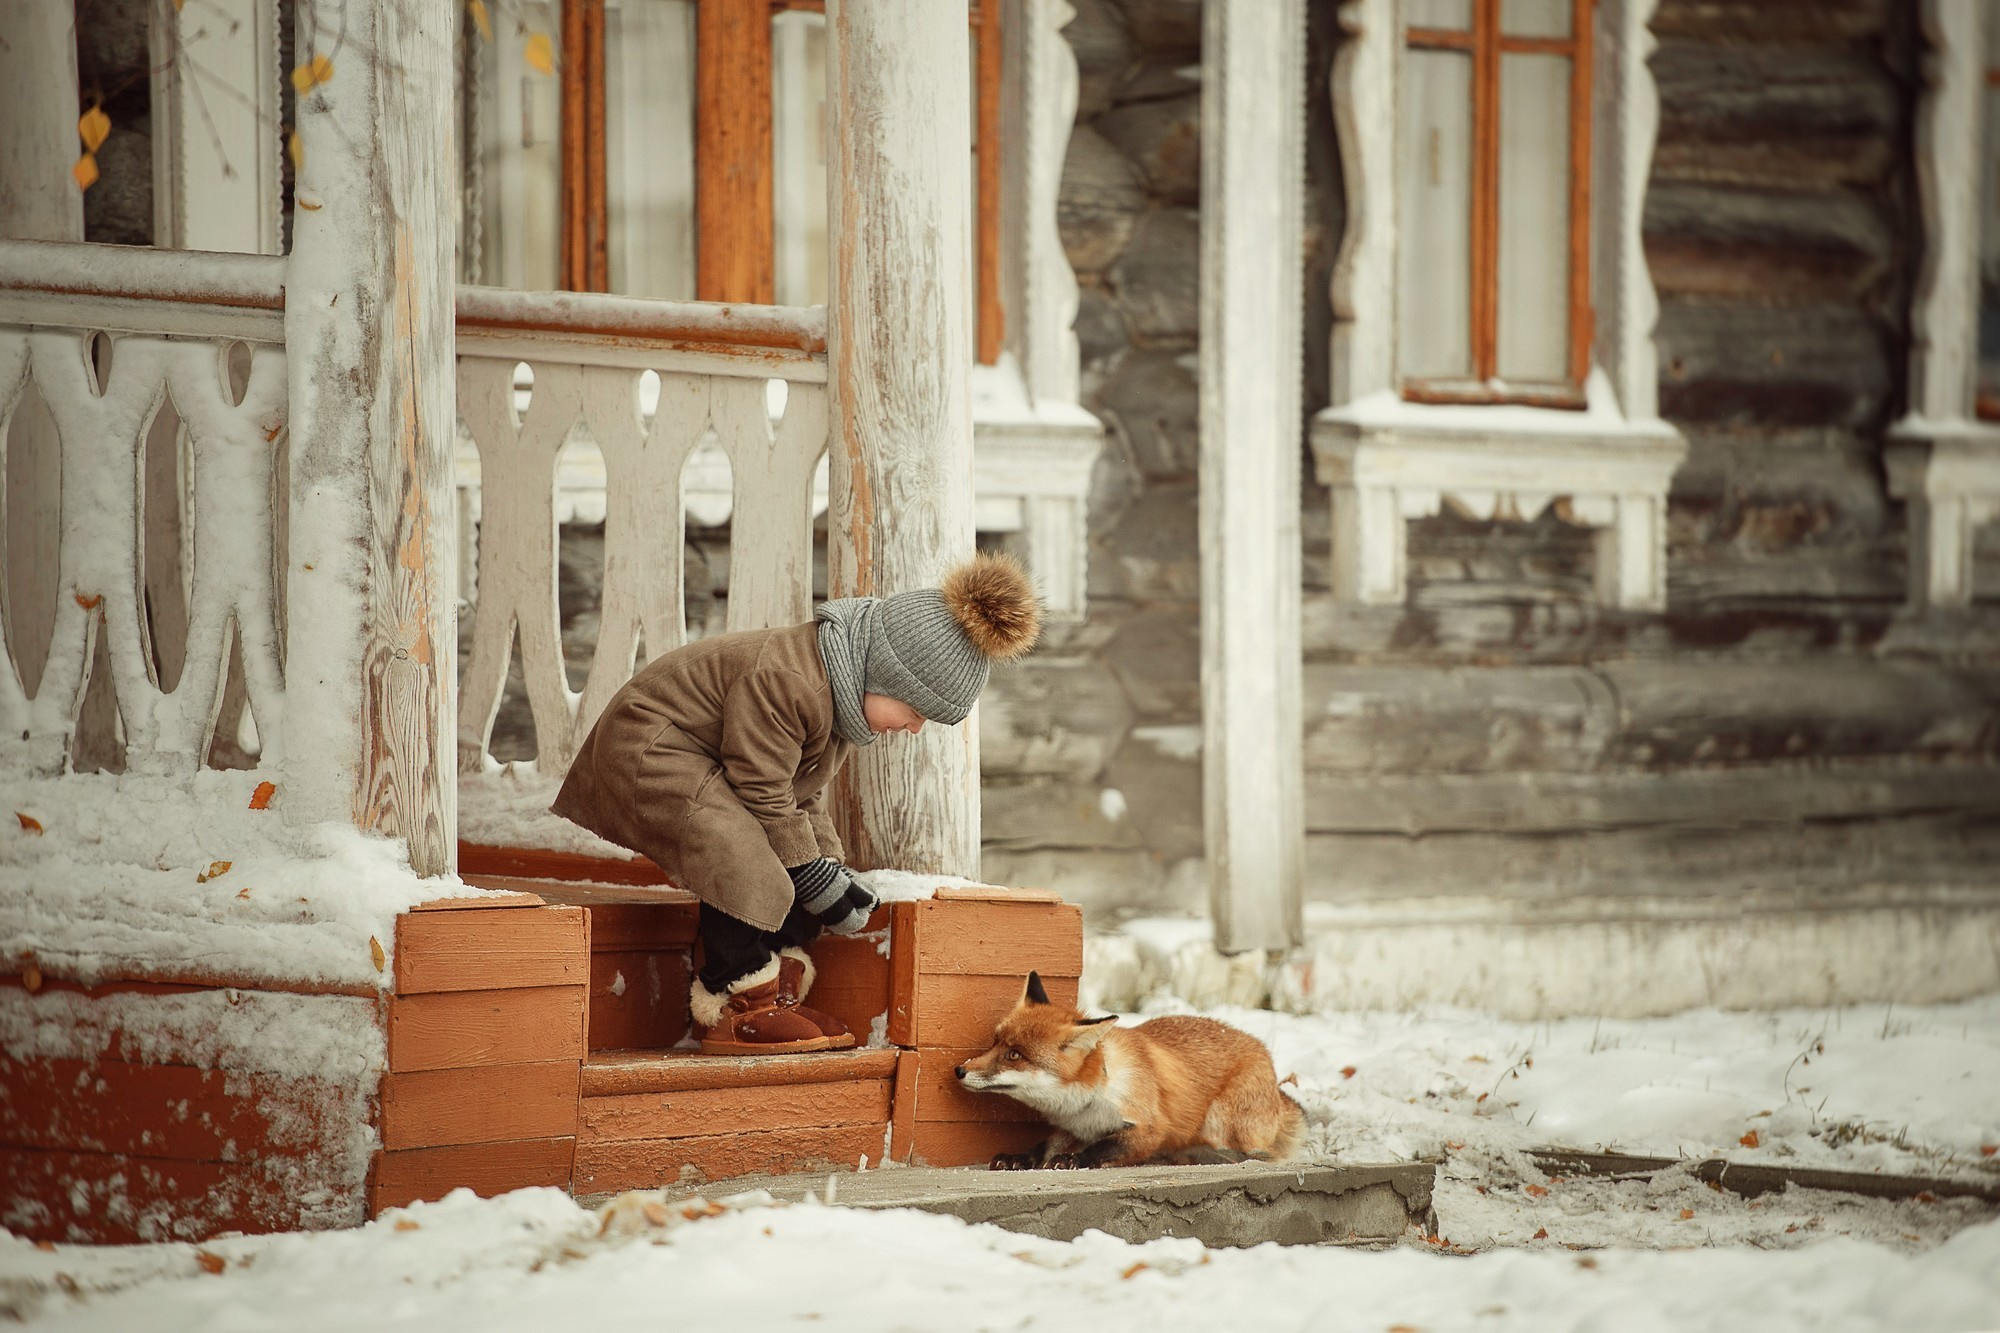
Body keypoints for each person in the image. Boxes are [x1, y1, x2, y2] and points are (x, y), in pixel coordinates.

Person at [550, 552, 1041, 1054]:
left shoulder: (839, 701)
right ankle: (739, 997)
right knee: (735, 843)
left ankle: (776, 987)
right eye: (916, 711)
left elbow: (801, 795)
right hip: (647, 746)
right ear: (884, 675)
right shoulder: (790, 680)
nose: (914, 728)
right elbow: (761, 789)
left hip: (708, 759)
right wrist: (810, 871)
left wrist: (829, 867)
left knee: (794, 860)